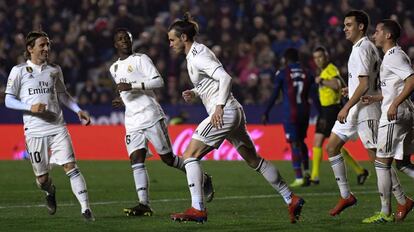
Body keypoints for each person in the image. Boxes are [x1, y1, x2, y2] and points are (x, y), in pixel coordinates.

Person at [167, 13, 305, 224]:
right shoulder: (197, 52)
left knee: (189, 156)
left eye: (172, 40)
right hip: (235, 112)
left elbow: (225, 78)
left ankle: (198, 208)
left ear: (184, 38)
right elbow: (211, 81)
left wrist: (219, 107)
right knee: (253, 160)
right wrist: (195, 92)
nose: (170, 44)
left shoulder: (197, 55)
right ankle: (290, 197)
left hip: (224, 112)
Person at [109, 28, 214, 216]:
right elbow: (123, 89)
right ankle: (144, 204)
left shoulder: (141, 59)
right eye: (120, 39)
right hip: (132, 120)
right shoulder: (114, 68)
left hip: (150, 115)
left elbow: (158, 82)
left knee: (168, 159)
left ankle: (204, 178)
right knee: (136, 159)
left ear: (132, 41)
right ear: (115, 44)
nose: (124, 40)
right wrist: (121, 98)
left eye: (127, 37)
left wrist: (132, 87)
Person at [4, 31, 94, 220]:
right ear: (30, 49)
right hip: (34, 131)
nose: (46, 48)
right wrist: (30, 107)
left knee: (71, 166)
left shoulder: (54, 69)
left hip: (58, 127)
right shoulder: (18, 71)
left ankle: (86, 209)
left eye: (48, 45)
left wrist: (78, 110)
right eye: (42, 45)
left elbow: (62, 95)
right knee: (42, 179)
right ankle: (49, 191)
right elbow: (9, 101)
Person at [326, 10, 407, 217]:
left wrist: (346, 106)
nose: (344, 28)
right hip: (357, 106)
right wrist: (350, 91)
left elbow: (363, 84)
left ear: (361, 26)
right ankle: (346, 196)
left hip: (365, 111)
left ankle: (401, 200)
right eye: (344, 25)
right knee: (332, 146)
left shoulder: (362, 49)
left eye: (349, 24)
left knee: (378, 160)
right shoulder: (364, 48)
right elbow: (364, 82)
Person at [362, 19, 414, 223]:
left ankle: (384, 212)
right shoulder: (392, 56)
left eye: (377, 32)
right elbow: (396, 88)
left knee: (381, 162)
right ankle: (397, 205)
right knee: (401, 163)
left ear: (388, 35)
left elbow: (411, 81)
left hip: (394, 115)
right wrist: (376, 98)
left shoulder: (394, 57)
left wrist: (393, 105)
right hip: (404, 112)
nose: (374, 35)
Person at [310, 46, 369, 185]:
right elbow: (342, 84)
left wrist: (322, 81)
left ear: (326, 57)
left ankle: (314, 177)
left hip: (331, 110)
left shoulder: (330, 69)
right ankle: (360, 171)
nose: (318, 60)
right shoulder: (325, 70)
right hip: (326, 110)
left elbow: (336, 84)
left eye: (320, 57)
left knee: (320, 142)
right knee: (335, 146)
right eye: (315, 58)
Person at [262, 48, 313, 187]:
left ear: (285, 59)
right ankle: (307, 172)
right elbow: (313, 93)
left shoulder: (283, 73)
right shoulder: (307, 72)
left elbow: (274, 95)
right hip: (305, 112)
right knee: (302, 141)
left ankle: (299, 177)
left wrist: (266, 111)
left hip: (291, 113)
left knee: (294, 143)